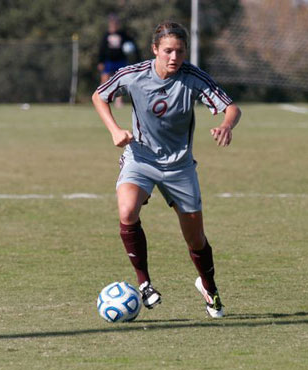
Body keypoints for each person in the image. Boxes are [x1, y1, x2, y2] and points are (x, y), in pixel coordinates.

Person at [91, 21, 241, 318]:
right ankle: (144, 283)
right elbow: (99, 95)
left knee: (195, 239)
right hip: (141, 158)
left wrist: (226, 125)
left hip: (179, 166)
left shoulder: (193, 78)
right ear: (155, 50)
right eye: (168, 51)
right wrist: (114, 130)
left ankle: (209, 288)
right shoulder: (134, 75)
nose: (174, 57)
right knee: (127, 210)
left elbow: (232, 108)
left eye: (180, 52)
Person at [97, 14, 140, 107]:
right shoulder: (106, 35)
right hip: (108, 61)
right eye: (112, 23)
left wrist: (134, 52)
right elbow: (102, 49)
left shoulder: (122, 34)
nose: (114, 25)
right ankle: (100, 98)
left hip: (120, 60)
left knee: (121, 80)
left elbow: (132, 43)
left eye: (116, 23)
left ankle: (119, 101)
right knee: (104, 79)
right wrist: (100, 61)